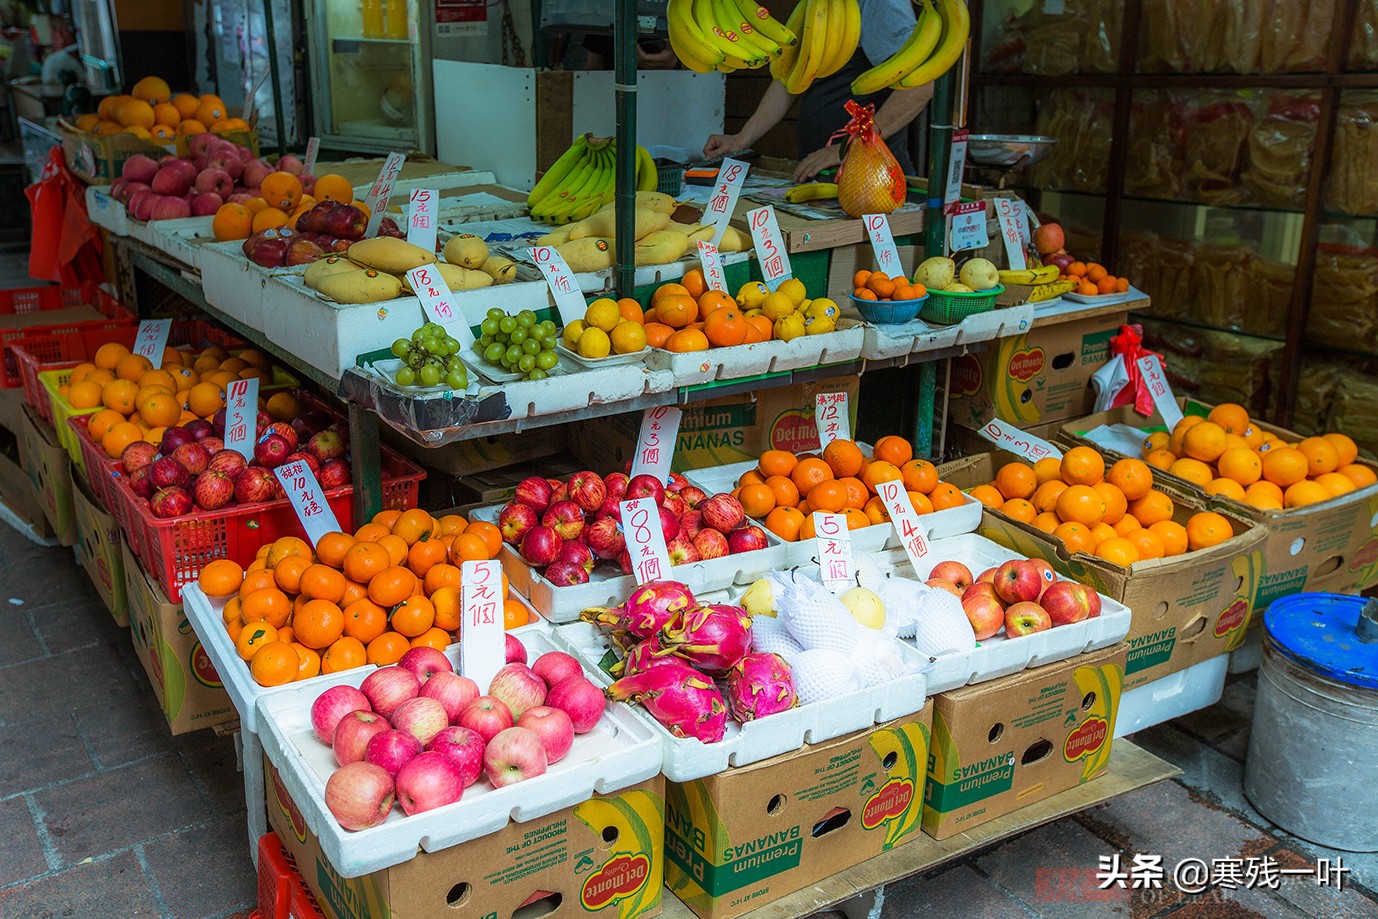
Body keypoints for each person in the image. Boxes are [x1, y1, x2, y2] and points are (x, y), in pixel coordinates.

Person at [702, 0, 933, 181]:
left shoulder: (877, 3)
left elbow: (922, 84)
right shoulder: (815, 5)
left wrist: (847, 148)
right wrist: (742, 138)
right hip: (825, 173)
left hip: (873, 177)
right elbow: (791, 79)